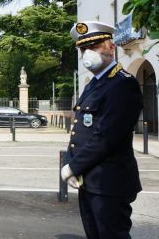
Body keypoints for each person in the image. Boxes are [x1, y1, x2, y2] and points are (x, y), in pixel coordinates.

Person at [61, 21, 143, 239]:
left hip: (110, 182)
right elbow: (79, 130)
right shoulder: (94, 84)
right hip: (89, 180)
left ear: (111, 47)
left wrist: (72, 167)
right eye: (83, 49)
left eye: (95, 46)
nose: (88, 53)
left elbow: (106, 136)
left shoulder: (123, 84)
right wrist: (70, 163)